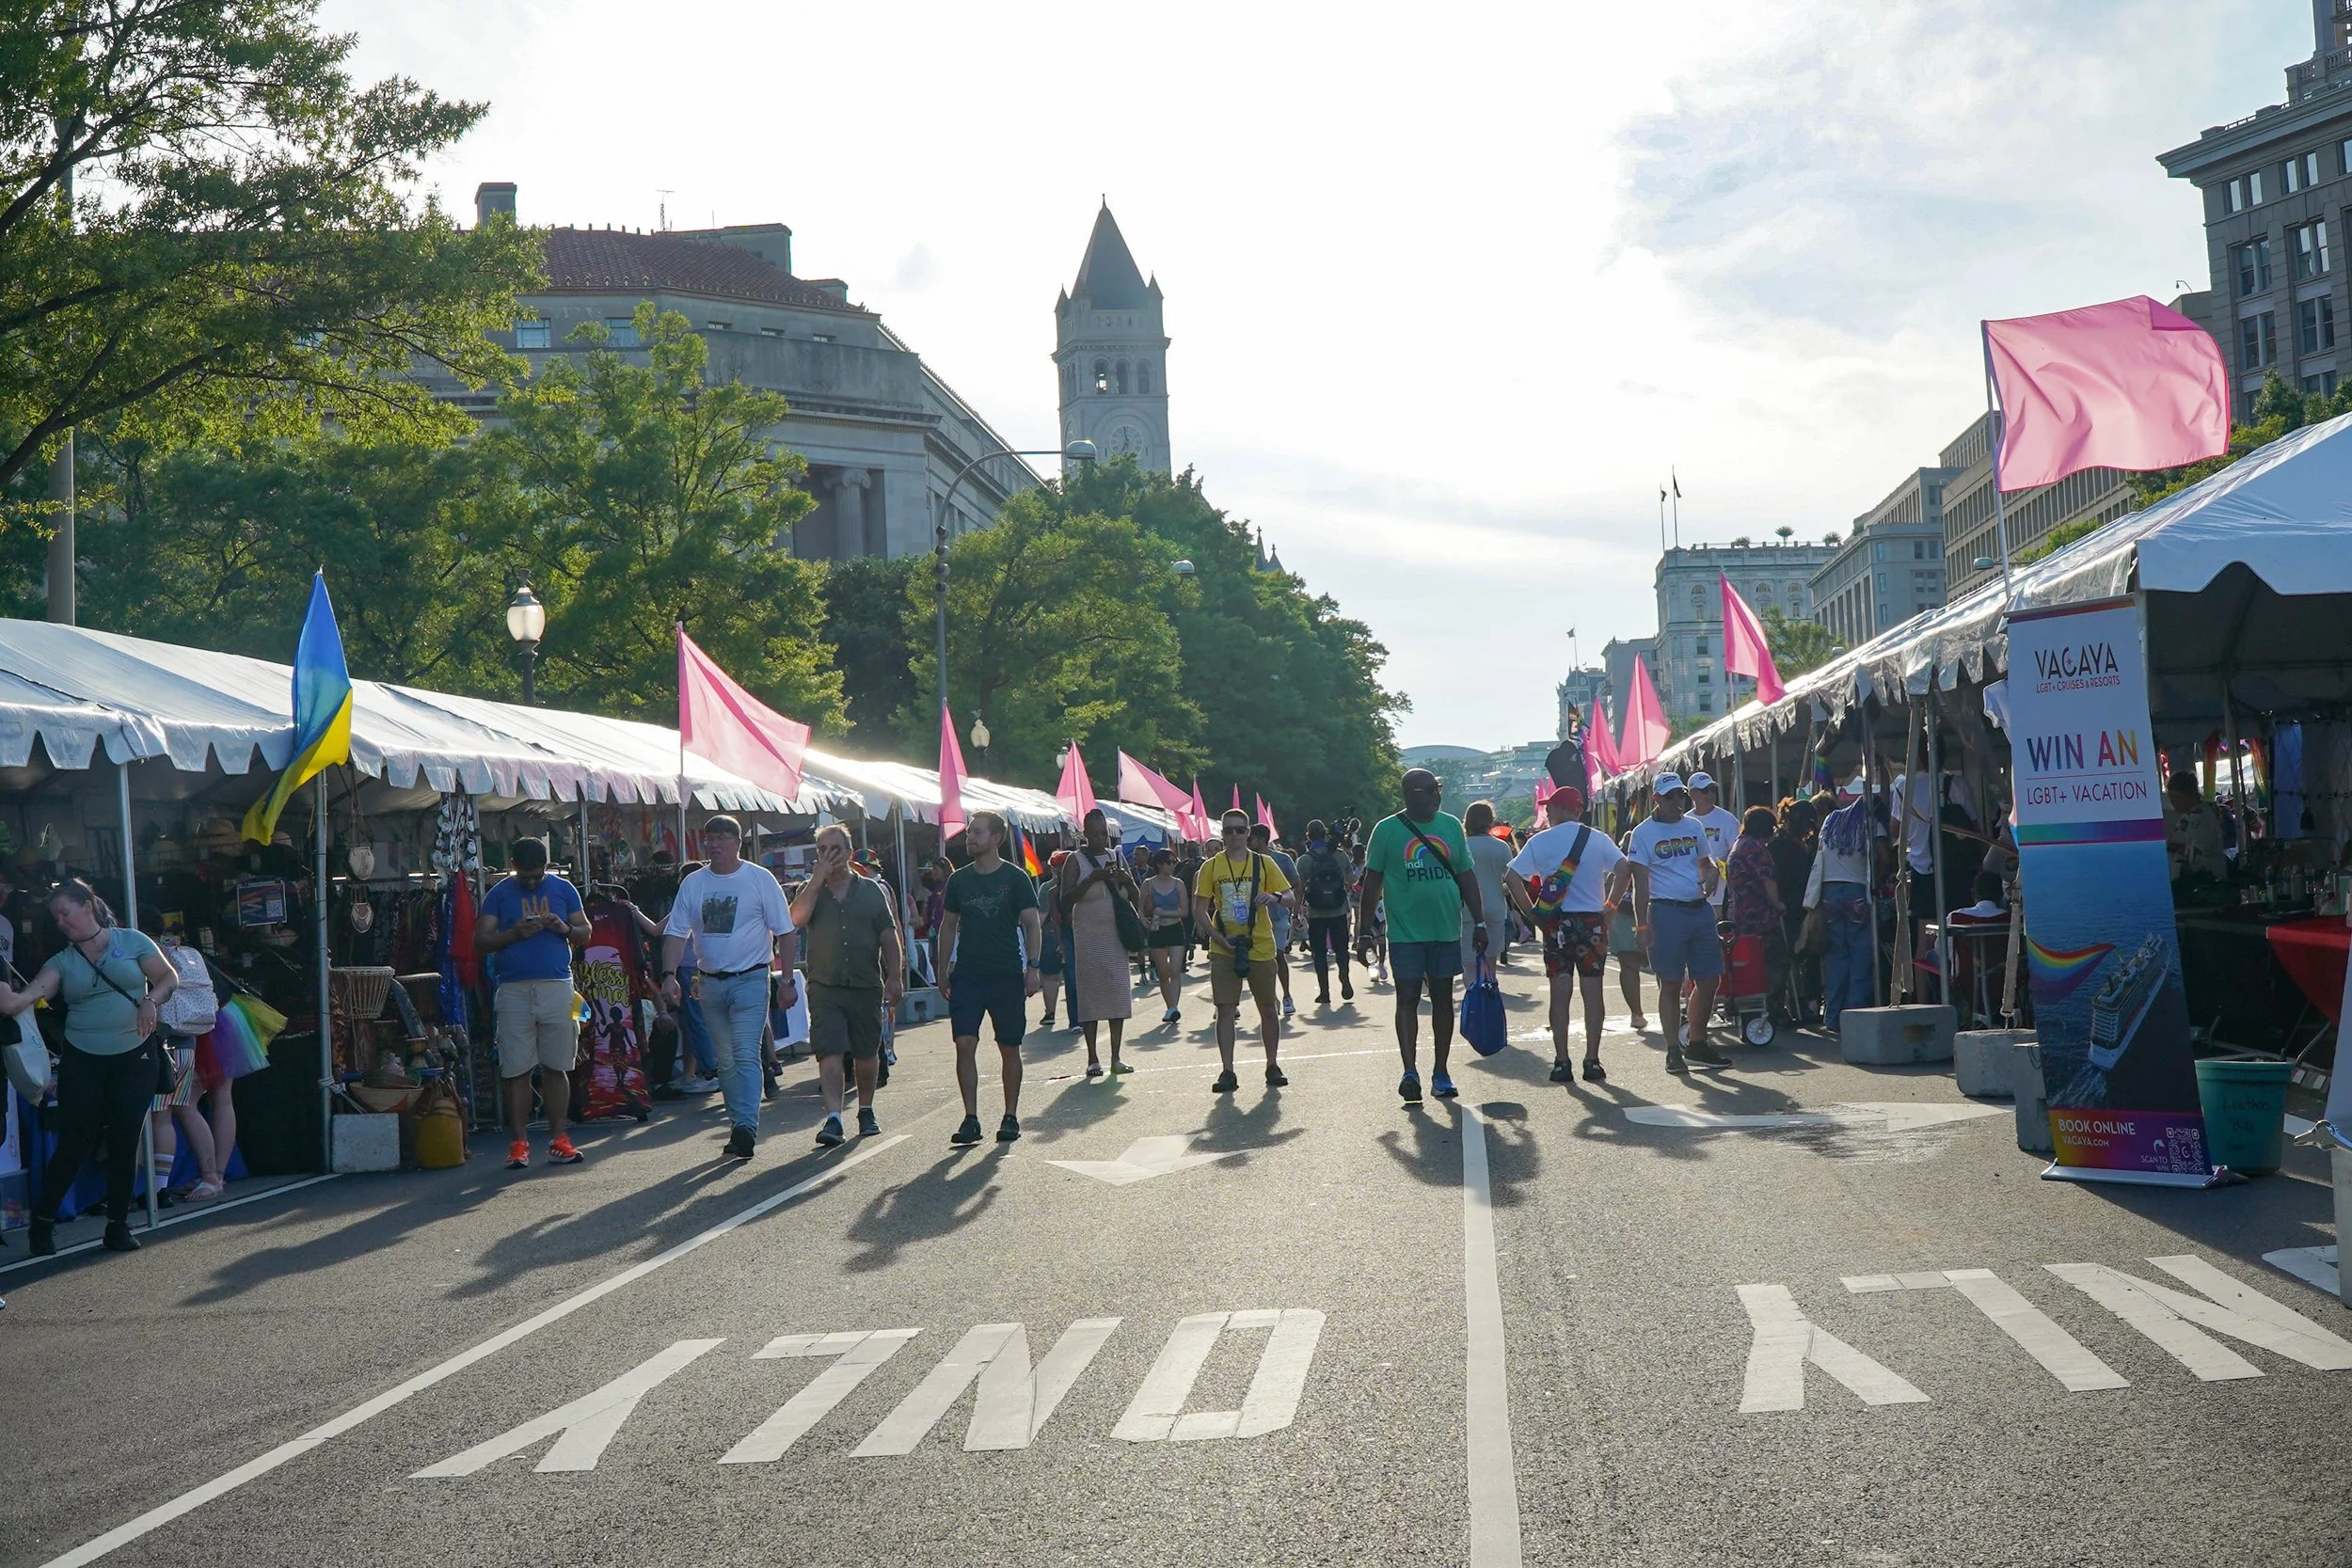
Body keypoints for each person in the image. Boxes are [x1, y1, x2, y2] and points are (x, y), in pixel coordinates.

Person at [0, 879, 180, 1256]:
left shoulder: (132, 941)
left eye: (66, 913)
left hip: (134, 1056)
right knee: (75, 1141)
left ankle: (118, 1225)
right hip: (84, 1058)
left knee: (125, 1139)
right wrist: (13, 1000)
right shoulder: (61, 961)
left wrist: (151, 1000)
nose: (62, 922)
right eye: (56, 918)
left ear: (88, 906)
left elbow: (168, 977)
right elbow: (32, 994)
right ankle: (42, 1224)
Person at [660, 816, 799, 1162]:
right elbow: (676, 932)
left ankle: (746, 1126)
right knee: (725, 1060)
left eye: (722, 838)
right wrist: (668, 975)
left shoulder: (759, 879)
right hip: (709, 983)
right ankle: (739, 1124)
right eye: (709, 839)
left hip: (751, 978)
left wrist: (786, 981)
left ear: (738, 842)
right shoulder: (693, 883)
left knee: (744, 1051)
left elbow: (786, 930)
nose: (714, 844)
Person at [1359, 768, 1486, 1104]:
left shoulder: (1450, 826)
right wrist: (1363, 933)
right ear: (1409, 794)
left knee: (1444, 1000)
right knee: (1407, 999)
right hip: (1405, 934)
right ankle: (1410, 1071)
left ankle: (1441, 1072)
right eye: (1429, 790)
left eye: (1437, 788)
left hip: (1445, 930)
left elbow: (1466, 875)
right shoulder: (1386, 831)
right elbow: (1371, 884)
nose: (1436, 795)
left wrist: (1481, 922)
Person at [477, 837, 592, 1171]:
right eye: (524, 875)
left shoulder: (564, 888)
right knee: (517, 1070)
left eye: (536, 875)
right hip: (513, 989)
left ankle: (559, 1138)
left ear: (547, 865)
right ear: (513, 864)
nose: (530, 881)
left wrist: (564, 927)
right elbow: (480, 941)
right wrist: (514, 934)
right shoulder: (498, 893)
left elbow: (585, 932)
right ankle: (519, 1143)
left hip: (557, 986)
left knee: (558, 1066)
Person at [789, 823, 904, 1147]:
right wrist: (816, 880)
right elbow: (796, 919)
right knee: (830, 1050)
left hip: (866, 984)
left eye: (835, 849)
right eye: (822, 850)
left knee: (866, 1053)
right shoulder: (810, 889)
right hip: (826, 986)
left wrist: (895, 975)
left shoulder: (870, 890)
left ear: (849, 853)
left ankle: (865, 1109)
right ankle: (834, 1118)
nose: (829, 856)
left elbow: (888, 936)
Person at [937, 810, 1044, 1145]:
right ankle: (971, 1118)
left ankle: (1010, 1115)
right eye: (969, 833)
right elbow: (948, 926)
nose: (970, 838)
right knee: (964, 1043)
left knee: (1008, 1046)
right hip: (968, 974)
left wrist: (1033, 966)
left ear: (996, 838)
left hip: (1006, 973)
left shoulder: (1015, 878)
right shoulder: (959, 880)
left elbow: (1031, 923)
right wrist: (942, 971)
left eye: (978, 833)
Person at [1504, 787, 1625, 1082]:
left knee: (1560, 993)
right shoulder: (1598, 839)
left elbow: (1510, 876)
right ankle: (1592, 1060)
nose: (1546, 812)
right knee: (1592, 991)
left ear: (1559, 808)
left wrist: (1531, 912)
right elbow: (1624, 868)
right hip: (1592, 922)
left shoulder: (1540, 841)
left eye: (1549, 807)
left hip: (1556, 924)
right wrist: (1611, 904)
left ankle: (1561, 1061)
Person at [1626, 774, 1731, 1073]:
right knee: (1670, 983)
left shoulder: (1692, 826)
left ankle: (1697, 1042)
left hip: (1699, 909)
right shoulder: (1642, 833)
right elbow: (1640, 884)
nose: (1677, 802)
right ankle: (1673, 1049)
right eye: (1670, 796)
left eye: (1681, 796)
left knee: (1710, 978)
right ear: (1656, 799)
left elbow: (1705, 862)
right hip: (1665, 911)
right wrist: (1642, 926)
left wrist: (1711, 873)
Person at [1195, 809, 1291, 1091]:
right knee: (1225, 1009)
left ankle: (1272, 1064)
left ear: (1248, 832)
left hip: (1259, 944)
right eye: (1228, 831)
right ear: (1222, 833)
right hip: (1224, 947)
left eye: (1239, 830)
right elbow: (1199, 910)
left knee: (1268, 1008)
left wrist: (1273, 896)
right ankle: (1227, 1070)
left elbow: (1290, 896)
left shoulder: (1263, 863)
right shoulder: (1211, 867)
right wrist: (1216, 937)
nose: (1234, 835)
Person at [1060, 808, 1139, 1077]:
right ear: (1085, 834)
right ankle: (1093, 1058)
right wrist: (1090, 880)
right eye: (1094, 834)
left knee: (1117, 993)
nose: (1100, 838)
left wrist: (1126, 880)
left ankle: (1116, 1056)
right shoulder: (1075, 860)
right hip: (1088, 937)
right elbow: (1065, 899)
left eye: (1104, 833)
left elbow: (1136, 897)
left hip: (1115, 936)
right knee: (1091, 997)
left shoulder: (1115, 857)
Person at [1804, 783, 1880, 1035]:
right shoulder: (1869, 824)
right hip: (1856, 892)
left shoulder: (1830, 823)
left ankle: (1833, 1017)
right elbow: (1882, 858)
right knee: (1860, 955)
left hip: (1829, 894)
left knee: (1836, 956)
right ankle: (1855, 1016)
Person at [1724, 804, 1785, 1040]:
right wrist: (1778, 903)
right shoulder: (1756, 849)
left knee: (1747, 964)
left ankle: (1749, 1006)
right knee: (1775, 962)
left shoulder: (1738, 845)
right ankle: (1773, 1008)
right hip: (1760, 915)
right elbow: (1767, 879)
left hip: (1740, 914)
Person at [1771, 800, 1821, 1026]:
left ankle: (1803, 1004)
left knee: (1805, 956)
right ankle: (1785, 1007)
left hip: (1802, 905)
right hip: (1787, 907)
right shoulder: (1779, 844)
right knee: (1787, 958)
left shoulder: (1800, 843)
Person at [1295, 819, 1355, 1006]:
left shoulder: (1305, 860)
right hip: (1338, 910)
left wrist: (1296, 913)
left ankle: (1325, 992)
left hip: (1316, 912)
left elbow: (1298, 888)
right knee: (1341, 949)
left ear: (1308, 837)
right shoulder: (1340, 855)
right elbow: (1352, 880)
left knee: (1319, 953)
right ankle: (1344, 976)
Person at [1458, 801, 1517, 985]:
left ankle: (1472, 997)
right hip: (1495, 907)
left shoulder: (1461, 846)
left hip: (1466, 909)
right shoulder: (1501, 847)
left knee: (1468, 961)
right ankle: (1489, 993)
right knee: (1490, 959)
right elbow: (1510, 879)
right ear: (1490, 821)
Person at [1248, 824, 1300, 1018]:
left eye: (1250, 838)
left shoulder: (1282, 859)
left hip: (1277, 916)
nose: (1247, 841)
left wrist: (1278, 895)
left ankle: (1287, 995)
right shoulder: (1246, 859)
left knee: (1277, 956)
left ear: (1261, 839)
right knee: (1261, 961)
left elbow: (1295, 883)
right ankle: (1271, 998)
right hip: (1254, 919)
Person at [1139, 849, 1190, 1023]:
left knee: (1175, 970)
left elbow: (1184, 911)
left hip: (1175, 929)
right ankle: (1169, 1006)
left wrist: (1164, 913)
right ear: (1159, 864)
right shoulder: (1148, 884)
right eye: (1169, 862)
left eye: (1174, 861)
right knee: (1163, 972)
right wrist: (1146, 922)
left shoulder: (1179, 884)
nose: (1172, 865)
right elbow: (1140, 911)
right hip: (1157, 931)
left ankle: (1174, 1007)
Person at [1606, 827, 1648, 1032]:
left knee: (1629, 966)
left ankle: (1637, 1013)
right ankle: (1641, 1012)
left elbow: (1607, 889)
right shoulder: (1647, 857)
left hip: (1623, 915)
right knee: (1661, 967)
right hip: (1644, 912)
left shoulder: (1618, 865)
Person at [1685, 772, 1741, 925]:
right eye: (1704, 790)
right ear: (1692, 794)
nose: (1710, 794)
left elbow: (1737, 853)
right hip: (1690, 896)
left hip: (1719, 896)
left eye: (1712, 789)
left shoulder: (1727, 819)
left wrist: (1718, 868)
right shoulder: (1685, 821)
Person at [2165, 772, 2227, 882]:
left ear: (2188, 795)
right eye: (2170, 798)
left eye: (2176, 797)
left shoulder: (2200, 819)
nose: (2172, 802)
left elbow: (2198, 852)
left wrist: (2174, 848)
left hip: (2205, 882)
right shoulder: (2191, 816)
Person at [1033, 863, 1067, 1028]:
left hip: (1051, 933)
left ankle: (1050, 1013)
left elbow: (1041, 917)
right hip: (1076, 932)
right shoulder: (1082, 882)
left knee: (1050, 977)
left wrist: (1032, 940)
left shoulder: (1047, 888)